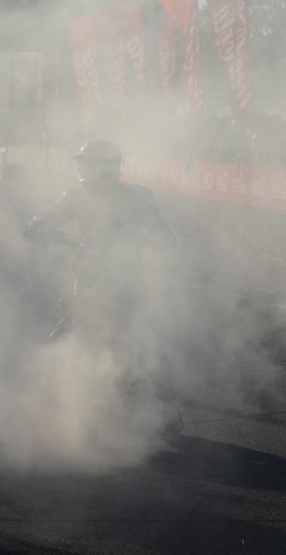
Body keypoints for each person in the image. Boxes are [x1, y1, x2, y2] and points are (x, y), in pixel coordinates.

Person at [25, 139, 181, 430]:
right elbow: (45, 221)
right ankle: (74, 405)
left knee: (131, 340)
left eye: (88, 164)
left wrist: (155, 240)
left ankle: (165, 406)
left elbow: (163, 234)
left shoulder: (136, 197)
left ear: (106, 167)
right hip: (88, 278)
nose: (83, 169)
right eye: (82, 163)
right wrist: (37, 227)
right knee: (77, 335)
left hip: (122, 281)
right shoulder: (78, 196)